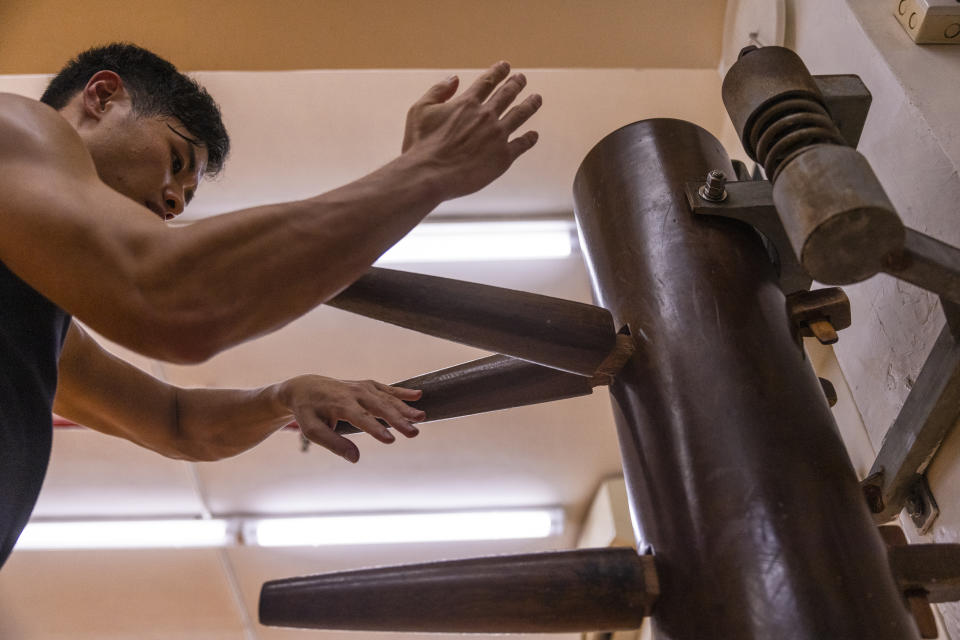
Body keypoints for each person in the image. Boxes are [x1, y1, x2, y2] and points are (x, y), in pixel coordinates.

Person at [0, 43, 541, 566]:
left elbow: (175, 422)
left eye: (184, 198)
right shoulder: (17, 127)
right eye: (176, 160)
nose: (171, 202)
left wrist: (283, 397)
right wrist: (426, 172)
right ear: (102, 97)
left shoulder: (35, 313)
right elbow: (169, 298)